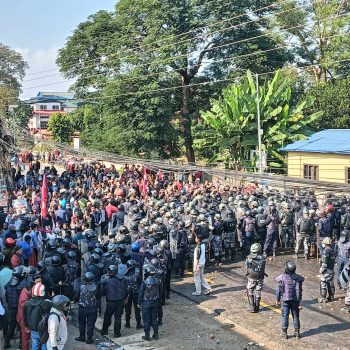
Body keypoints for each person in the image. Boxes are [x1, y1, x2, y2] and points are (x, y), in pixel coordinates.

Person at [276, 261, 304, 339]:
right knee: (296, 316)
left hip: (285, 299)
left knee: (285, 316)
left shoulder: (282, 277)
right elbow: (300, 290)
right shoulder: (299, 278)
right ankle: (297, 333)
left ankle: (284, 333)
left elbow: (278, 289)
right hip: (296, 300)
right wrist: (300, 302)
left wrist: (277, 299)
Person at [101, 265, 128, 338]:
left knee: (107, 316)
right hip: (120, 301)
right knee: (118, 317)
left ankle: (104, 330)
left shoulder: (107, 280)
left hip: (111, 301)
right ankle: (117, 333)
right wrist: (124, 298)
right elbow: (126, 290)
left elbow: (103, 292)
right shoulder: (123, 279)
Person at [23, 283, 52, 350]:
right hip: (43, 329)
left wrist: (26, 326)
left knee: (35, 344)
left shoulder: (27, 303)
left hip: (33, 329)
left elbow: (25, 316)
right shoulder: (46, 303)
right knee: (44, 345)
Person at [138, 264, 160, 341]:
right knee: (154, 319)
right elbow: (160, 291)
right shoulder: (158, 281)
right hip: (155, 302)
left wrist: (139, 303)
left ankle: (147, 335)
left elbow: (141, 293)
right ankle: (156, 334)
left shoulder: (145, 282)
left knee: (146, 320)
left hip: (146, 303)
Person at [75, 272, 98, 344]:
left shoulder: (81, 287)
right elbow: (99, 296)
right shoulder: (96, 287)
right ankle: (89, 338)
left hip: (82, 308)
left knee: (82, 323)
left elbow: (76, 296)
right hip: (93, 308)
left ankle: (82, 337)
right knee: (91, 323)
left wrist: (76, 300)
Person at [245, 243, 266, 313]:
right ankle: (257, 308)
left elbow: (246, 267)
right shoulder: (263, 257)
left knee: (250, 290)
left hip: (251, 277)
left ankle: (252, 307)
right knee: (258, 291)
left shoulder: (249, 257)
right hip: (260, 277)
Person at [319, 237, 336, 303]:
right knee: (330, 283)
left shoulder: (325, 251)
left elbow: (324, 263)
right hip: (331, 269)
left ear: (325, 243)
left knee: (323, 282)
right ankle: (331, 297)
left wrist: (321, 270)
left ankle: (323, 298)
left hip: (327, 270)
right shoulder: (332, 250)